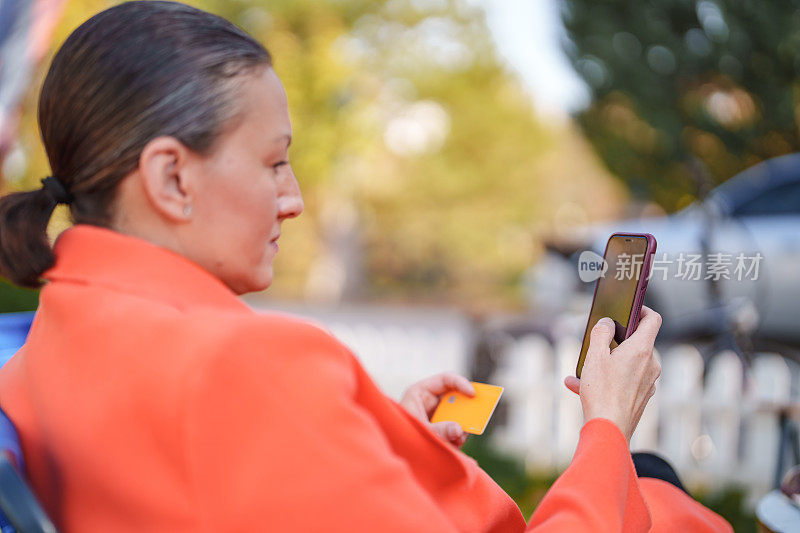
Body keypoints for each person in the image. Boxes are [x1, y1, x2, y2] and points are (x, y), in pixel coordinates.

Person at [0, 2, 731, 531]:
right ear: (171, 179)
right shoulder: (242, 364)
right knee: (653, 484)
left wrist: (371, 439)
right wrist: (605, 424)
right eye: (275, 162)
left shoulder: (42, 348)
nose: (294, 199)